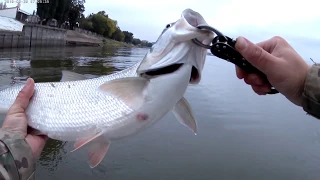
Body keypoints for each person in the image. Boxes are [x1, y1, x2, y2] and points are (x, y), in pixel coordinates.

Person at [0, 35, 319, 179]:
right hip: (45, 104)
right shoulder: (140, 77)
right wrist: (305, 83)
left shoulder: (169, 90)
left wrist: (305, 83)